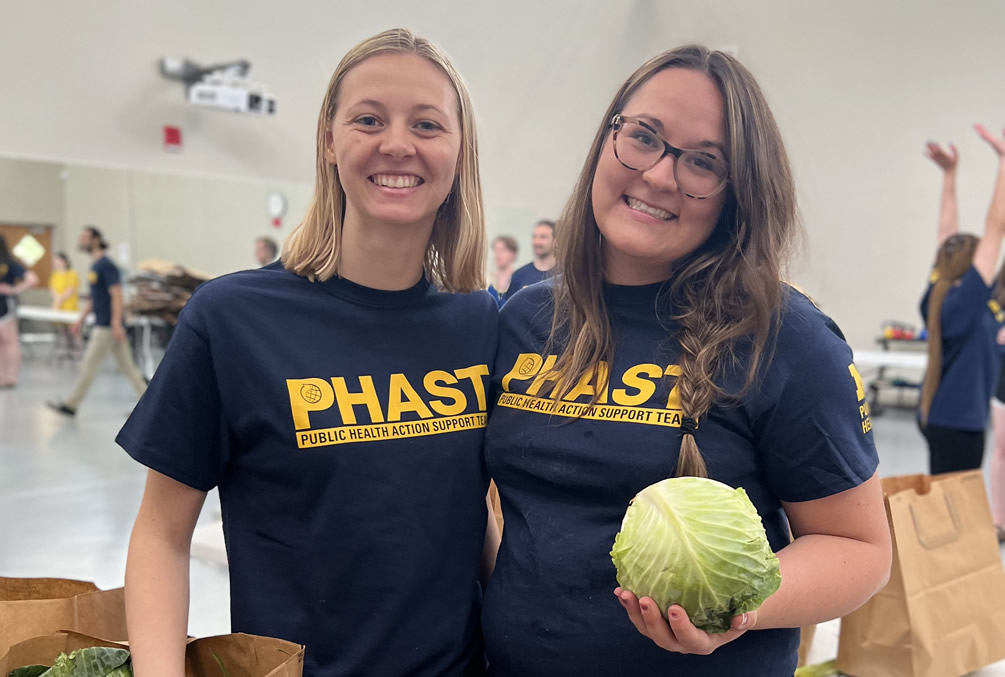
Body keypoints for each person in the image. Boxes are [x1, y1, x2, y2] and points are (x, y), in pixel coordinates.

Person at [482, 46, 891, 676]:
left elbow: (859, 549)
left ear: (739, 193)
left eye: (703, 161)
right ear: (607, 138)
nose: (659, 175)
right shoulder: (525, 319)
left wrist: (734, 609)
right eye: (644, 137)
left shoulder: (785, 338)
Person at [118, 29, 498, 677]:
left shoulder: (482, 322)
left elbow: (477, 514)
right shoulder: (232, 319)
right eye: (368, 119)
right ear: (328, 140)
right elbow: (161, 534)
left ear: (460, 152)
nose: (397, 143)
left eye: (427, 123)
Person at [918, 127, 1005, 476]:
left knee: (942, 494)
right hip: (960, 422)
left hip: (939, 415)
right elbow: (996, 227)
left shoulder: (936, 294)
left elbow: (946, 235)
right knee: (952, 500)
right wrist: (1004, 162)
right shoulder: (966, 302)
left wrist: (949, 175)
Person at [46, 226, 147, 415]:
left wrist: (116, 323)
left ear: (96, 240)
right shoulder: (94, 266)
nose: (81, 240)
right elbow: (94, 298)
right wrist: (80, 320)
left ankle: (71, 405)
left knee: (88, 366)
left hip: (107, 326)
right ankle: (151, 406)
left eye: (85, 237)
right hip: (105, 324)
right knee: (128, 367)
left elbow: (117, 294)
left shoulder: (106, 265)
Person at [0, 236, 39, 388]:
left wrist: (14, 289)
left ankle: (11, 377)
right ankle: (3, 376)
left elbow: (32, 279)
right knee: (3, 343)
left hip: (6, 305)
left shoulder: (10, 263)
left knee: (10, 342)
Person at [507, 220, 555, 294]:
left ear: (555, 240)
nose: (537, 242)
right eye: (534, 237)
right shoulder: (519, 276)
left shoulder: (564, 275)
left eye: (543, 237)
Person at [488, 235, 518, 306]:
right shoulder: (486, 280)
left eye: (502, 250)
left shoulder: (519, 280)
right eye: (496, 250)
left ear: (513, 254)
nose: (498, 254)